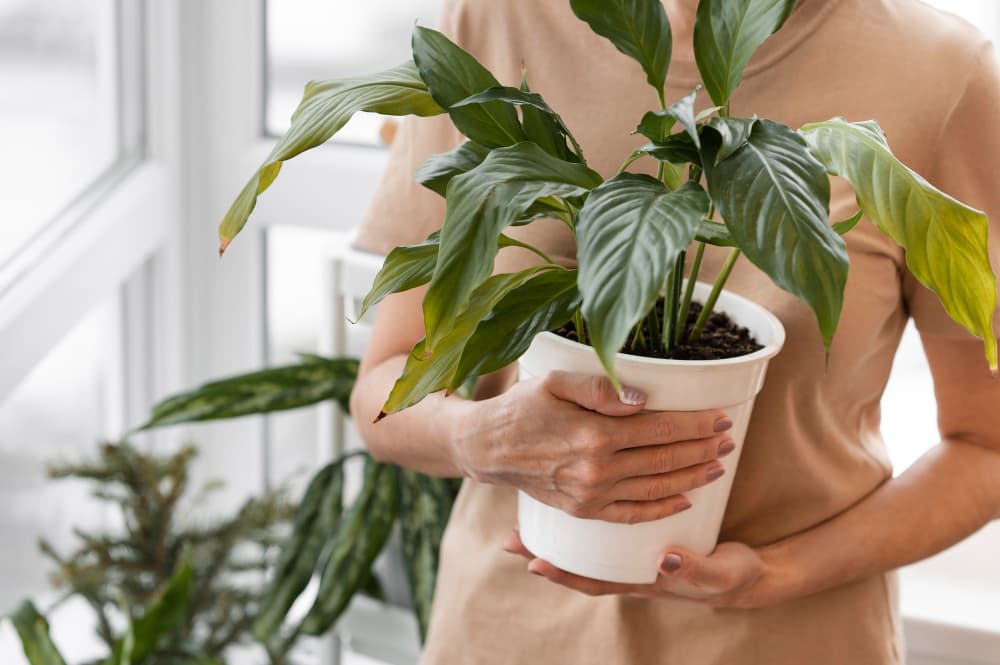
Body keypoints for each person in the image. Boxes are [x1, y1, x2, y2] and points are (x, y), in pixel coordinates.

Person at [349, 0, 1000, 662]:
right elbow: (384, 390)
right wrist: (483, 438)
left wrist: (773, 574)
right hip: (509, 629)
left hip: (782, 640)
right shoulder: (495, 19)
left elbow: (987, 445)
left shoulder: (938, 71)